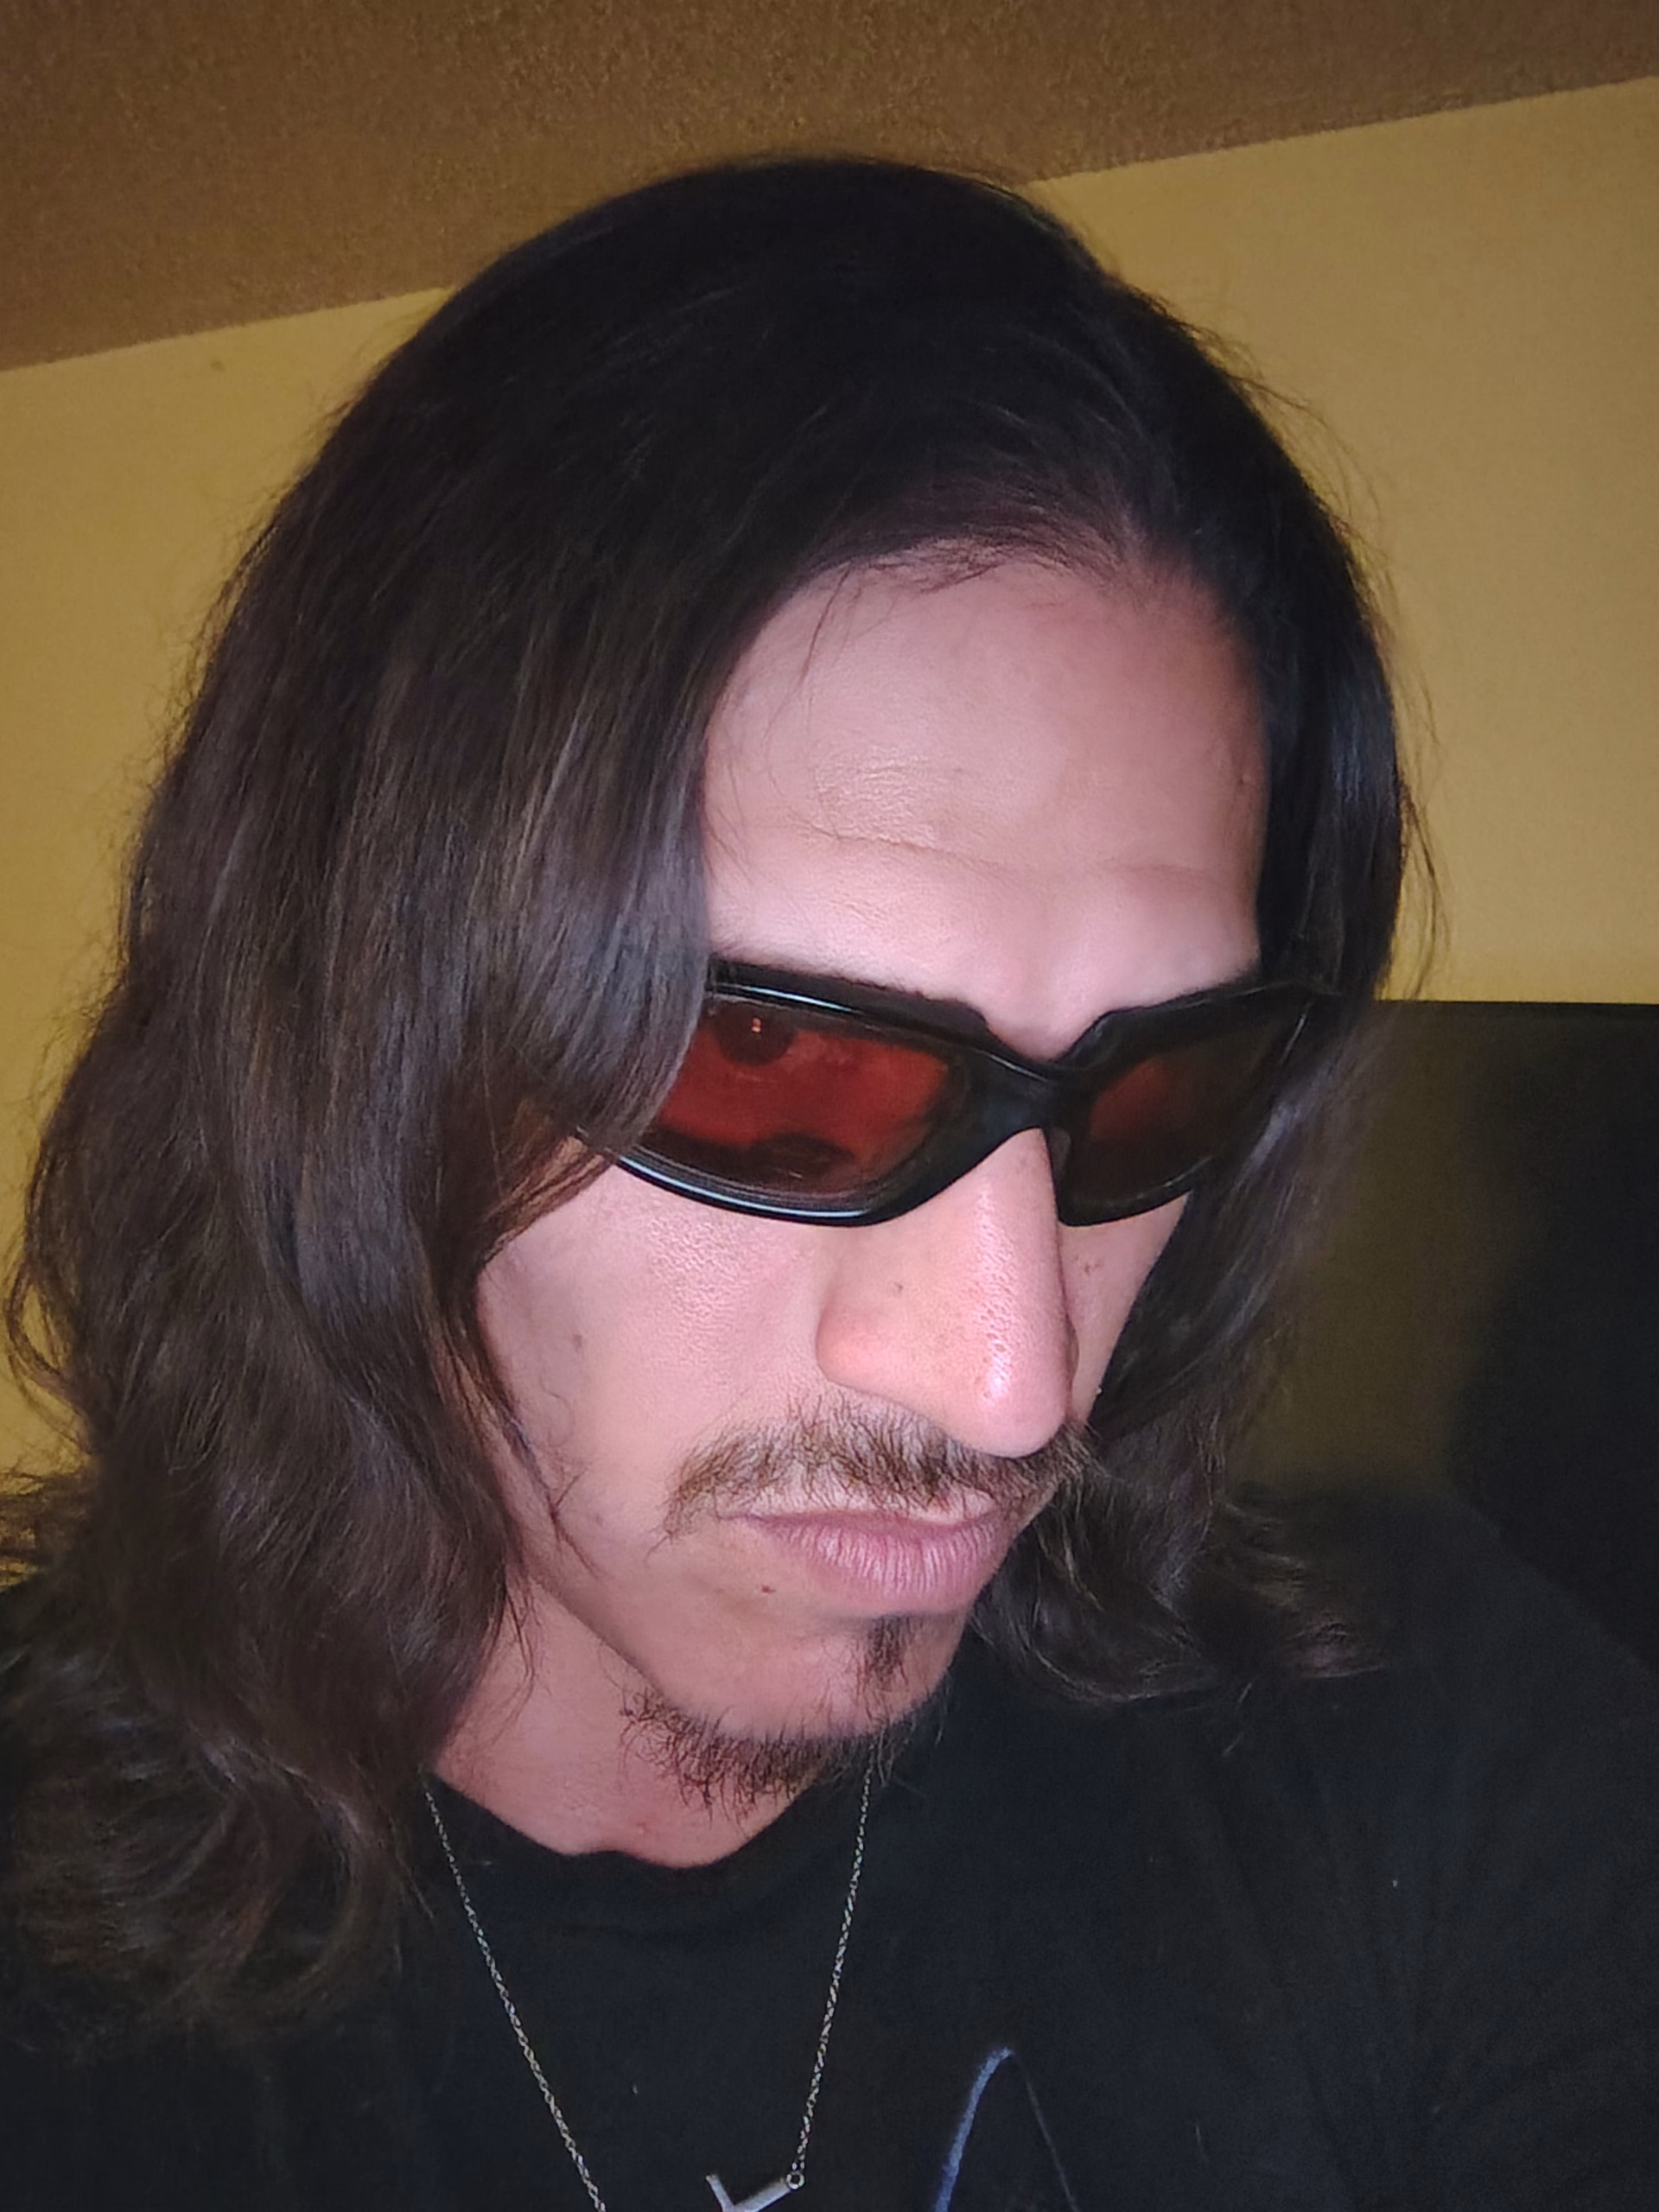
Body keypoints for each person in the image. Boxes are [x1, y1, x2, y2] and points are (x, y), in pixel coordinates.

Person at [1, 157, 1655, 2211]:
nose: (1010, 1380)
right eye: (774, 1061)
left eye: (1161, 1078)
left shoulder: (1428, 1741)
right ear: (350, 1024)